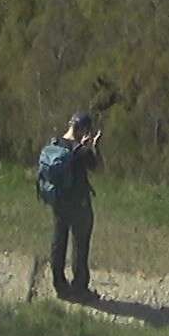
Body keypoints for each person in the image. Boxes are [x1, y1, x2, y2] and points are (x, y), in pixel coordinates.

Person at [36, 112, 104, 300]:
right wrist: (94, 147)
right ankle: (80, 287)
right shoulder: (80, 151)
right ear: (83, 129)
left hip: (58, 201)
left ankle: (59, 284)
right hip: (79, 203)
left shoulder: (55, 144)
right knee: (80, 244)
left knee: (59, 240)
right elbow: (96, 166)